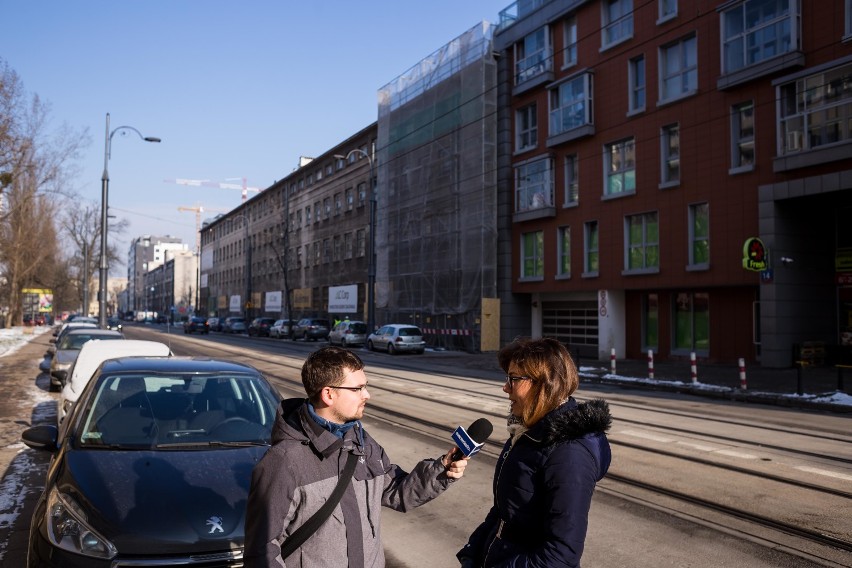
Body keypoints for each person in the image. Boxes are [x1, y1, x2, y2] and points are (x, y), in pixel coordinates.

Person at [244, 346, 468, 567]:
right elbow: (262, 551)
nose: (367, 395)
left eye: (366, 386)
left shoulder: (361, 441)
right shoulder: (284, 461)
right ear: (329, 394)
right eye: (358, 388)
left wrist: (442, 469)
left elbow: (397, 492)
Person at [457, 337, 612, 567]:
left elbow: (561, 555)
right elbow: (506, 510)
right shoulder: (529, 432)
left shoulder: (569, 455)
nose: (505, 387)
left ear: (544, 383)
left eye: (513, 378)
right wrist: (475, 548)